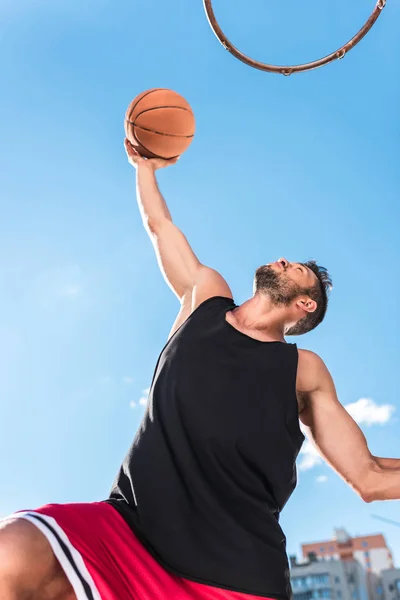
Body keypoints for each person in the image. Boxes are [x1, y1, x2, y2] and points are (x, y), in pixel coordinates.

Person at [1, 140, 399, 600]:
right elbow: (160, 226)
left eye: (301, 270)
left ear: (304, 305)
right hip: (131, 529)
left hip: (233, 572)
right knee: (13, 550)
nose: (287, 259)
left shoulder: (303, 370)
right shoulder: (205, 298)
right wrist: (144, 167)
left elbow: (367, 476)